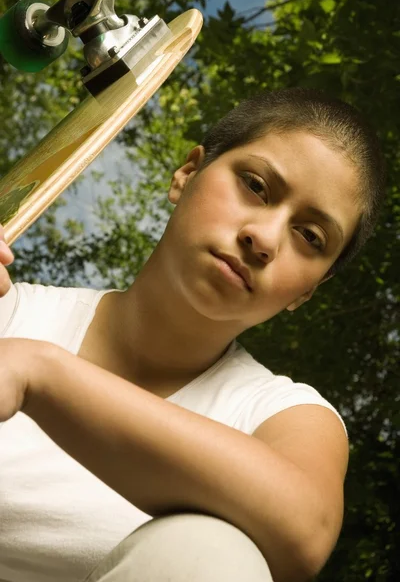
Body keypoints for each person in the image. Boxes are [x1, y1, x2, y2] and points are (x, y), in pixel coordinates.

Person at [0, 88, 386, 582]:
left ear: (309, 290)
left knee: (208, 552)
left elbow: (304, 529)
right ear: (187, 174)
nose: (263, 238)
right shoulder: (11, 314)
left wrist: (41, 373)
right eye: (255, 185)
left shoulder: (279, 413)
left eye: (310, 237)